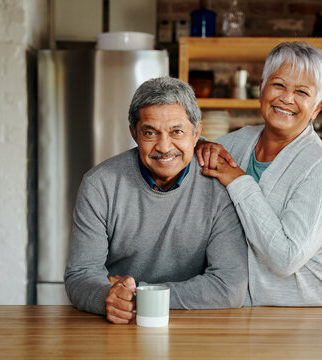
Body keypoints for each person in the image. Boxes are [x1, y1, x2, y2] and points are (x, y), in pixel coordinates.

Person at [65, 77, 248, 324]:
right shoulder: (100, 184)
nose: (164, 146)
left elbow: (229, 287)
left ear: (197, 133)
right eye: (150, 133)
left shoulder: (219, 186)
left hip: (194, 326)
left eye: (177, 132)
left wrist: (139, 294)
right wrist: (108, 297)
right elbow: (81, 275)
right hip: (118, 325)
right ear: (134, 133)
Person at [196, 41, 322, 307]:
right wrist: (199, 144)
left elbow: (286, 258)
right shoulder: (238, 143)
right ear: (261, 88)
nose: (286, 98)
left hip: (313, 316)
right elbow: (189, 155)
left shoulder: (320, 166)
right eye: (278, 85)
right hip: (249, 314)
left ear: (317, 107)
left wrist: (238, 180)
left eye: (302, 92)